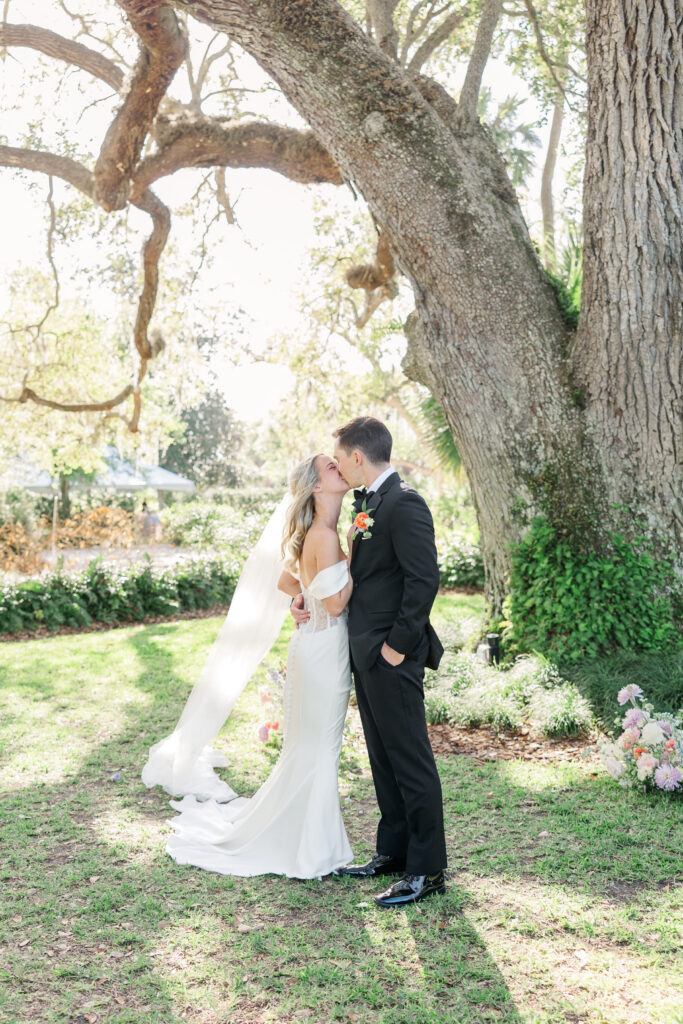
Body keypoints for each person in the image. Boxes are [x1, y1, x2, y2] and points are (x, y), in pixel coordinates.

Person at [161, 453, 355, 879]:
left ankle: (310, 839)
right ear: (316, 487)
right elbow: (338, 601)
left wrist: (300, 596)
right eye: (331, 467)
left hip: (311, 646)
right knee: (321, 747)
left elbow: (289, 580)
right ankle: (316, 850)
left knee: (307, 747)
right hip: (324, 650)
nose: (340, 467)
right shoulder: (324, 535)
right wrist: (355, 559)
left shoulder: (316, 533)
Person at [292, 416, 447, 907]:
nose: (338, 466)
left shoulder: (404, 504)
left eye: (340, 459)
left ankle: (427, 871)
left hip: (391, 656)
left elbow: (423, 582)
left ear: (357, 457)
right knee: (383, 759)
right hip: (362, 655)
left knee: (410, 759)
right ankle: (393, 853)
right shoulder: (367, 505)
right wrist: (307, 599)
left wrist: (397, 647)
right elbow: (354, 577)